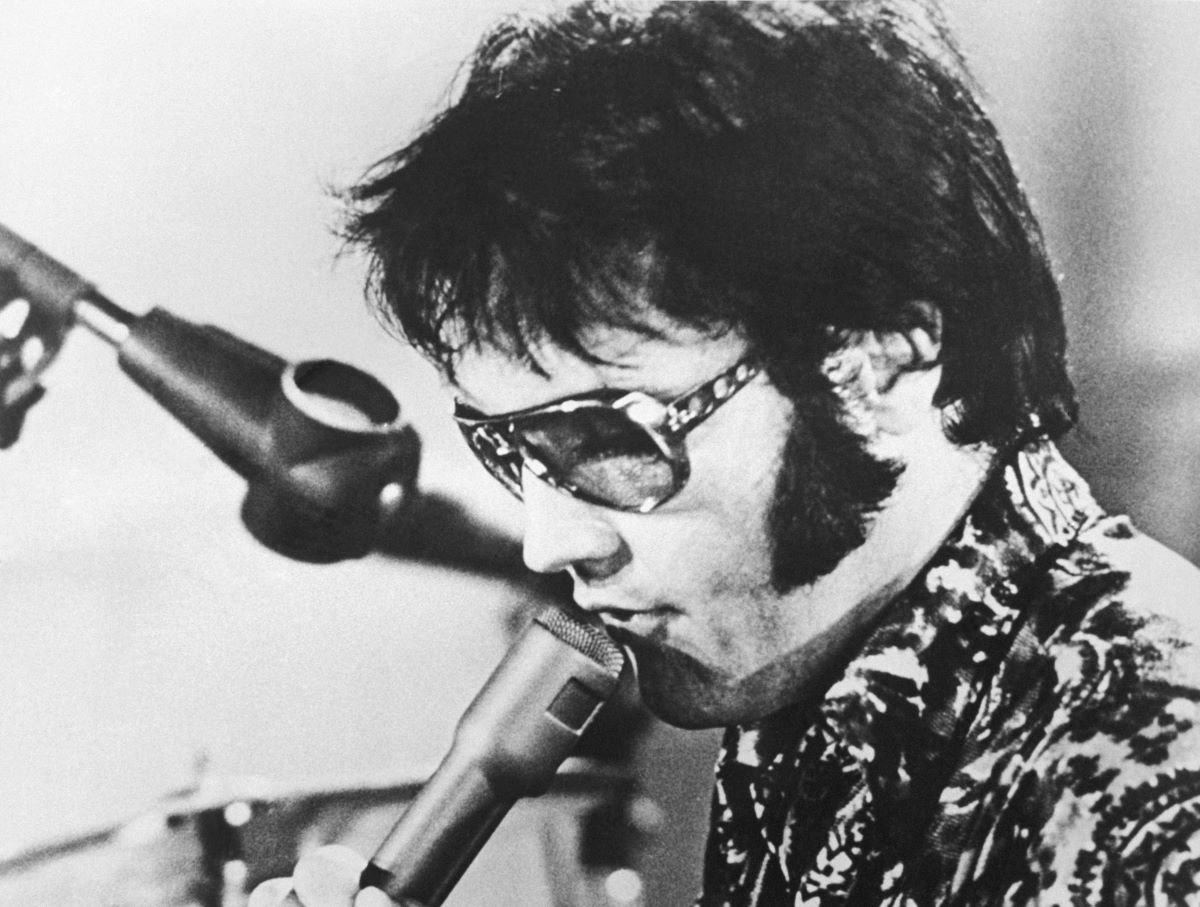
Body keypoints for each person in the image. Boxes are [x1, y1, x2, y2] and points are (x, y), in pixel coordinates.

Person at [250, 1, 1200, 904]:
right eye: (506, 446)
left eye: (606, 439)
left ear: (884, 359)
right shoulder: (812, 681)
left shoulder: (1156, 778)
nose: (550, 540)